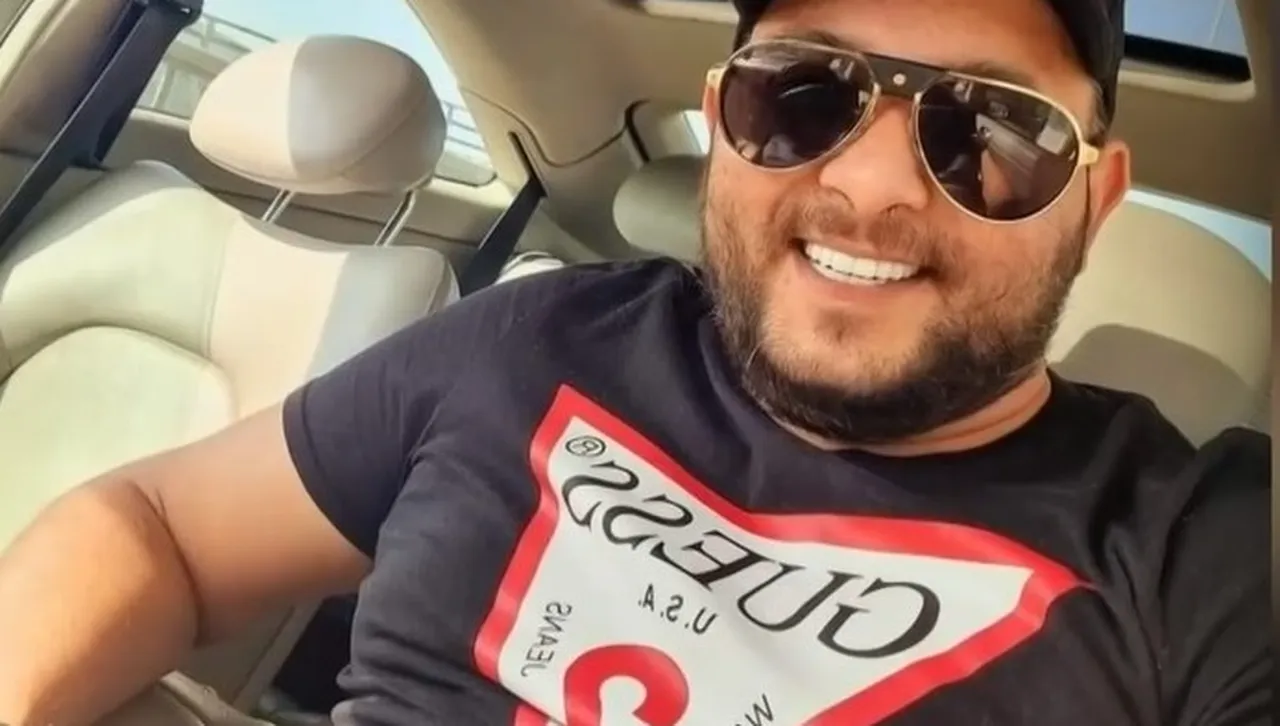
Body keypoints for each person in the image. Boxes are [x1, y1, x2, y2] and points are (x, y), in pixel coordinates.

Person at [0, 0, 1270, 723]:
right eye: (800, 94)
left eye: (990, 130)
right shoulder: (539, 340)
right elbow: (155, 524)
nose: (872, 182)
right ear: (721, 124)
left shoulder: (1200, 552)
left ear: (1094, 201)